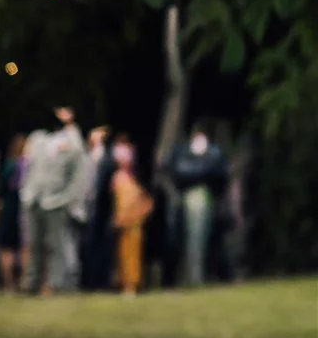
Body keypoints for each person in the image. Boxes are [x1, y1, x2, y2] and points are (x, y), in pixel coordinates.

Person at [21, 107, 87, 295]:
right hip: (34, 198)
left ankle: (54, 284)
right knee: (33, 244)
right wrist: (25, 192)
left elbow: (78, 166)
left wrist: (68, 198)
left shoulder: (70, 141)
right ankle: (31, 283)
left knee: (55, 245)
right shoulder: (38, 139)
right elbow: (28, 166)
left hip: (56, 201)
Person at [163, 124, 229, 286]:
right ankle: (191, 277)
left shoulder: (211, 154)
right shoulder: (183, 153)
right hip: (188, 201)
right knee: (188, 241)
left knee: (199, 241)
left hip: (203, 200)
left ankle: (196, 277)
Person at [110, 135, 154, 297]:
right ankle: (123, 282)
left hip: (135, 221)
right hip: (120, 221)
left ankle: (132, 284)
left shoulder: (136, 177)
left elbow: (147, 201)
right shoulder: (115, 177)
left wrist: (141, 213)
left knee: (133, 253)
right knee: (121, 253)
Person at [80, 125, 117, 291]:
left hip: (102, 209)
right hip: (90, 207)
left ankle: (100, 282)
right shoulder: (87, 156)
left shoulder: (107, 159)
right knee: (89, 245)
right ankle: (90, 281)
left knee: (101, 246)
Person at [0, 133, 27, 293]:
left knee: (6, 247)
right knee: (23, 246)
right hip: (23, 207)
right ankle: (23, 281)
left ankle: (9, 283)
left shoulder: (8, 164)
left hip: (8, 208)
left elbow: (0, 190)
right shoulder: (28, 165)